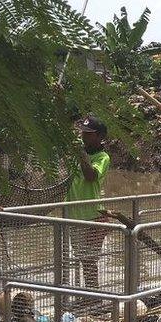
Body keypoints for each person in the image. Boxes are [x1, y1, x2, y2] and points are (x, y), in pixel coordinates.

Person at [66, 115, 111, 291]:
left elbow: (91, 176)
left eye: (89, 134)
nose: (84, 136)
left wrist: (82, 155)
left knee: (90, 260)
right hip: (74, 215)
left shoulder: (103, 157)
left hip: (93, 217)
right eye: (83, 132)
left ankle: (94, 297)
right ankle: (88, 294)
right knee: (82, 258)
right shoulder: (77, 154)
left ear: (100, 136)